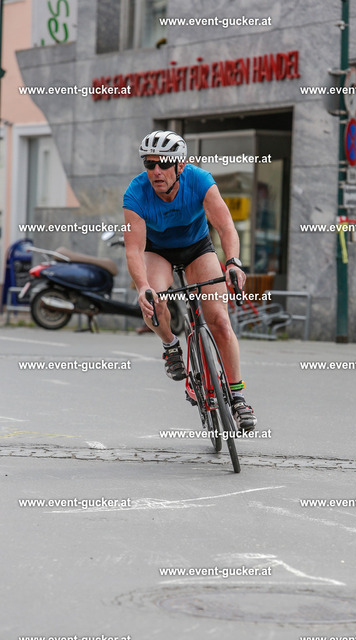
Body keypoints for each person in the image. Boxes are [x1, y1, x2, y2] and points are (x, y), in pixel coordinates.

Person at [123, 130, 257, 432]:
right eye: (149, 164)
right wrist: (143, 287)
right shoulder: (135, 193)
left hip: (197, 248)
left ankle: (238, 398)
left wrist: (233, 262)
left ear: (180, 166)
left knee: (219, 321)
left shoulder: (199, 180)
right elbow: (133, 250)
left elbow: (226, 226)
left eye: (163, 163)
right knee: (154, 300)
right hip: (158, 251)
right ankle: (171, 345)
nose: (156, 171)